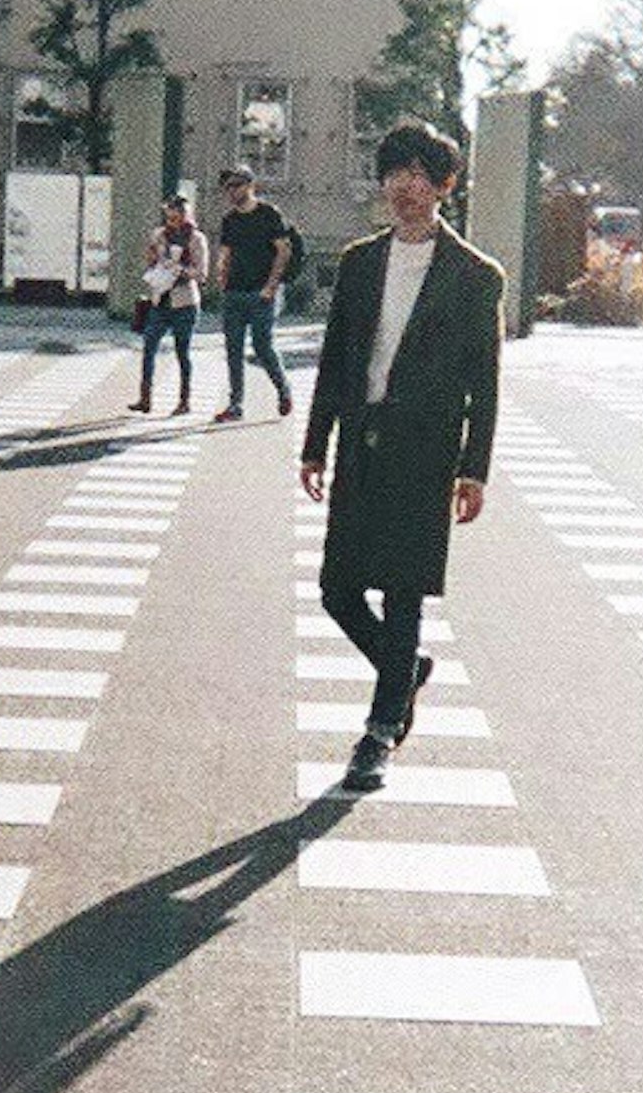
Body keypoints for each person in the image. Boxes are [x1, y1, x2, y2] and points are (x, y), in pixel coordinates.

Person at [301, 120, 502, 793]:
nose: (406, 187)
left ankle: (380, 731)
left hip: (426, 448)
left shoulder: (475, 276)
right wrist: (314, 443)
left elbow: (486, 379)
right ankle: (405, 668)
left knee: (404, 591)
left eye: (422, 174)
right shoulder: (360, 262)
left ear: (446, 185)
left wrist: (475, 467)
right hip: (362, 440)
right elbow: (336, 360)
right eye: (396, 173)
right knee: (337, 587)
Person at [208, 162, 300, 421]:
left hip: (261, 293)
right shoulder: (230, 219)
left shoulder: (269, 214)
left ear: (250, 185)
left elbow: (283, 250)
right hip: (234, 293)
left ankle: (283, 389)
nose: (231, 192)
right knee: (233, 350)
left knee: (263, 347)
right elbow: (224, 253)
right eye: (228, 188)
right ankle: (236, 405)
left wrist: (271, 286)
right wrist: (222, 280)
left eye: (236, 186)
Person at [129, 191, 209, 414]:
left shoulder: (196, 239)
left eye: (175, 218)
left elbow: (202, 274)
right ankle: (145, 398)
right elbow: (150, 261)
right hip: (160, 300)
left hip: (184, 302)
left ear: (185, 216)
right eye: (168, 217)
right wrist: (153, 258)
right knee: (149, 346)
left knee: (182, 352)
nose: (170, 222)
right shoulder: (159, 234)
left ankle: (184, 401)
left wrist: (179, 270)